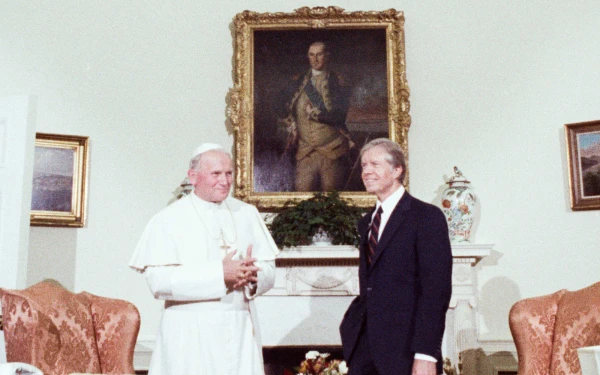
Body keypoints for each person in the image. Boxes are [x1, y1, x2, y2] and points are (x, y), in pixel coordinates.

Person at [129, 143, 279, 375]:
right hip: (190, 335)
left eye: (229, 173)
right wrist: (220, 274)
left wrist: (253, 276)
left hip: (239, 330)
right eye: (216, 174)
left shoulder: (246, 213)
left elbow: (269, 268)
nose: (225, 180)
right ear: (193, 176)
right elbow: (159, 283)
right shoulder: (168, 219)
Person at [339, 138, 453, 375]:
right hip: (364, 351)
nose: (366, 171)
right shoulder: (367, 222)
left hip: (406, 351)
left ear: (397, 170)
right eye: (363, 166)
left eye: (375, 164)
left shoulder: (426, 217)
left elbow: (436, 292)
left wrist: (426, 354)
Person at [277, 41, 354, 192]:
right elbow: (279, 105)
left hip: (332, 151)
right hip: (305, 152)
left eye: (319, 54)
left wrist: (316, 115)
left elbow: (339, 116)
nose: (315, 59)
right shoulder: (298, 81)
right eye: (312, 55)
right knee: (301, 197)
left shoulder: (337, 82)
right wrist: (290, 123)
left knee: (332, 199)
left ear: (327, 56)